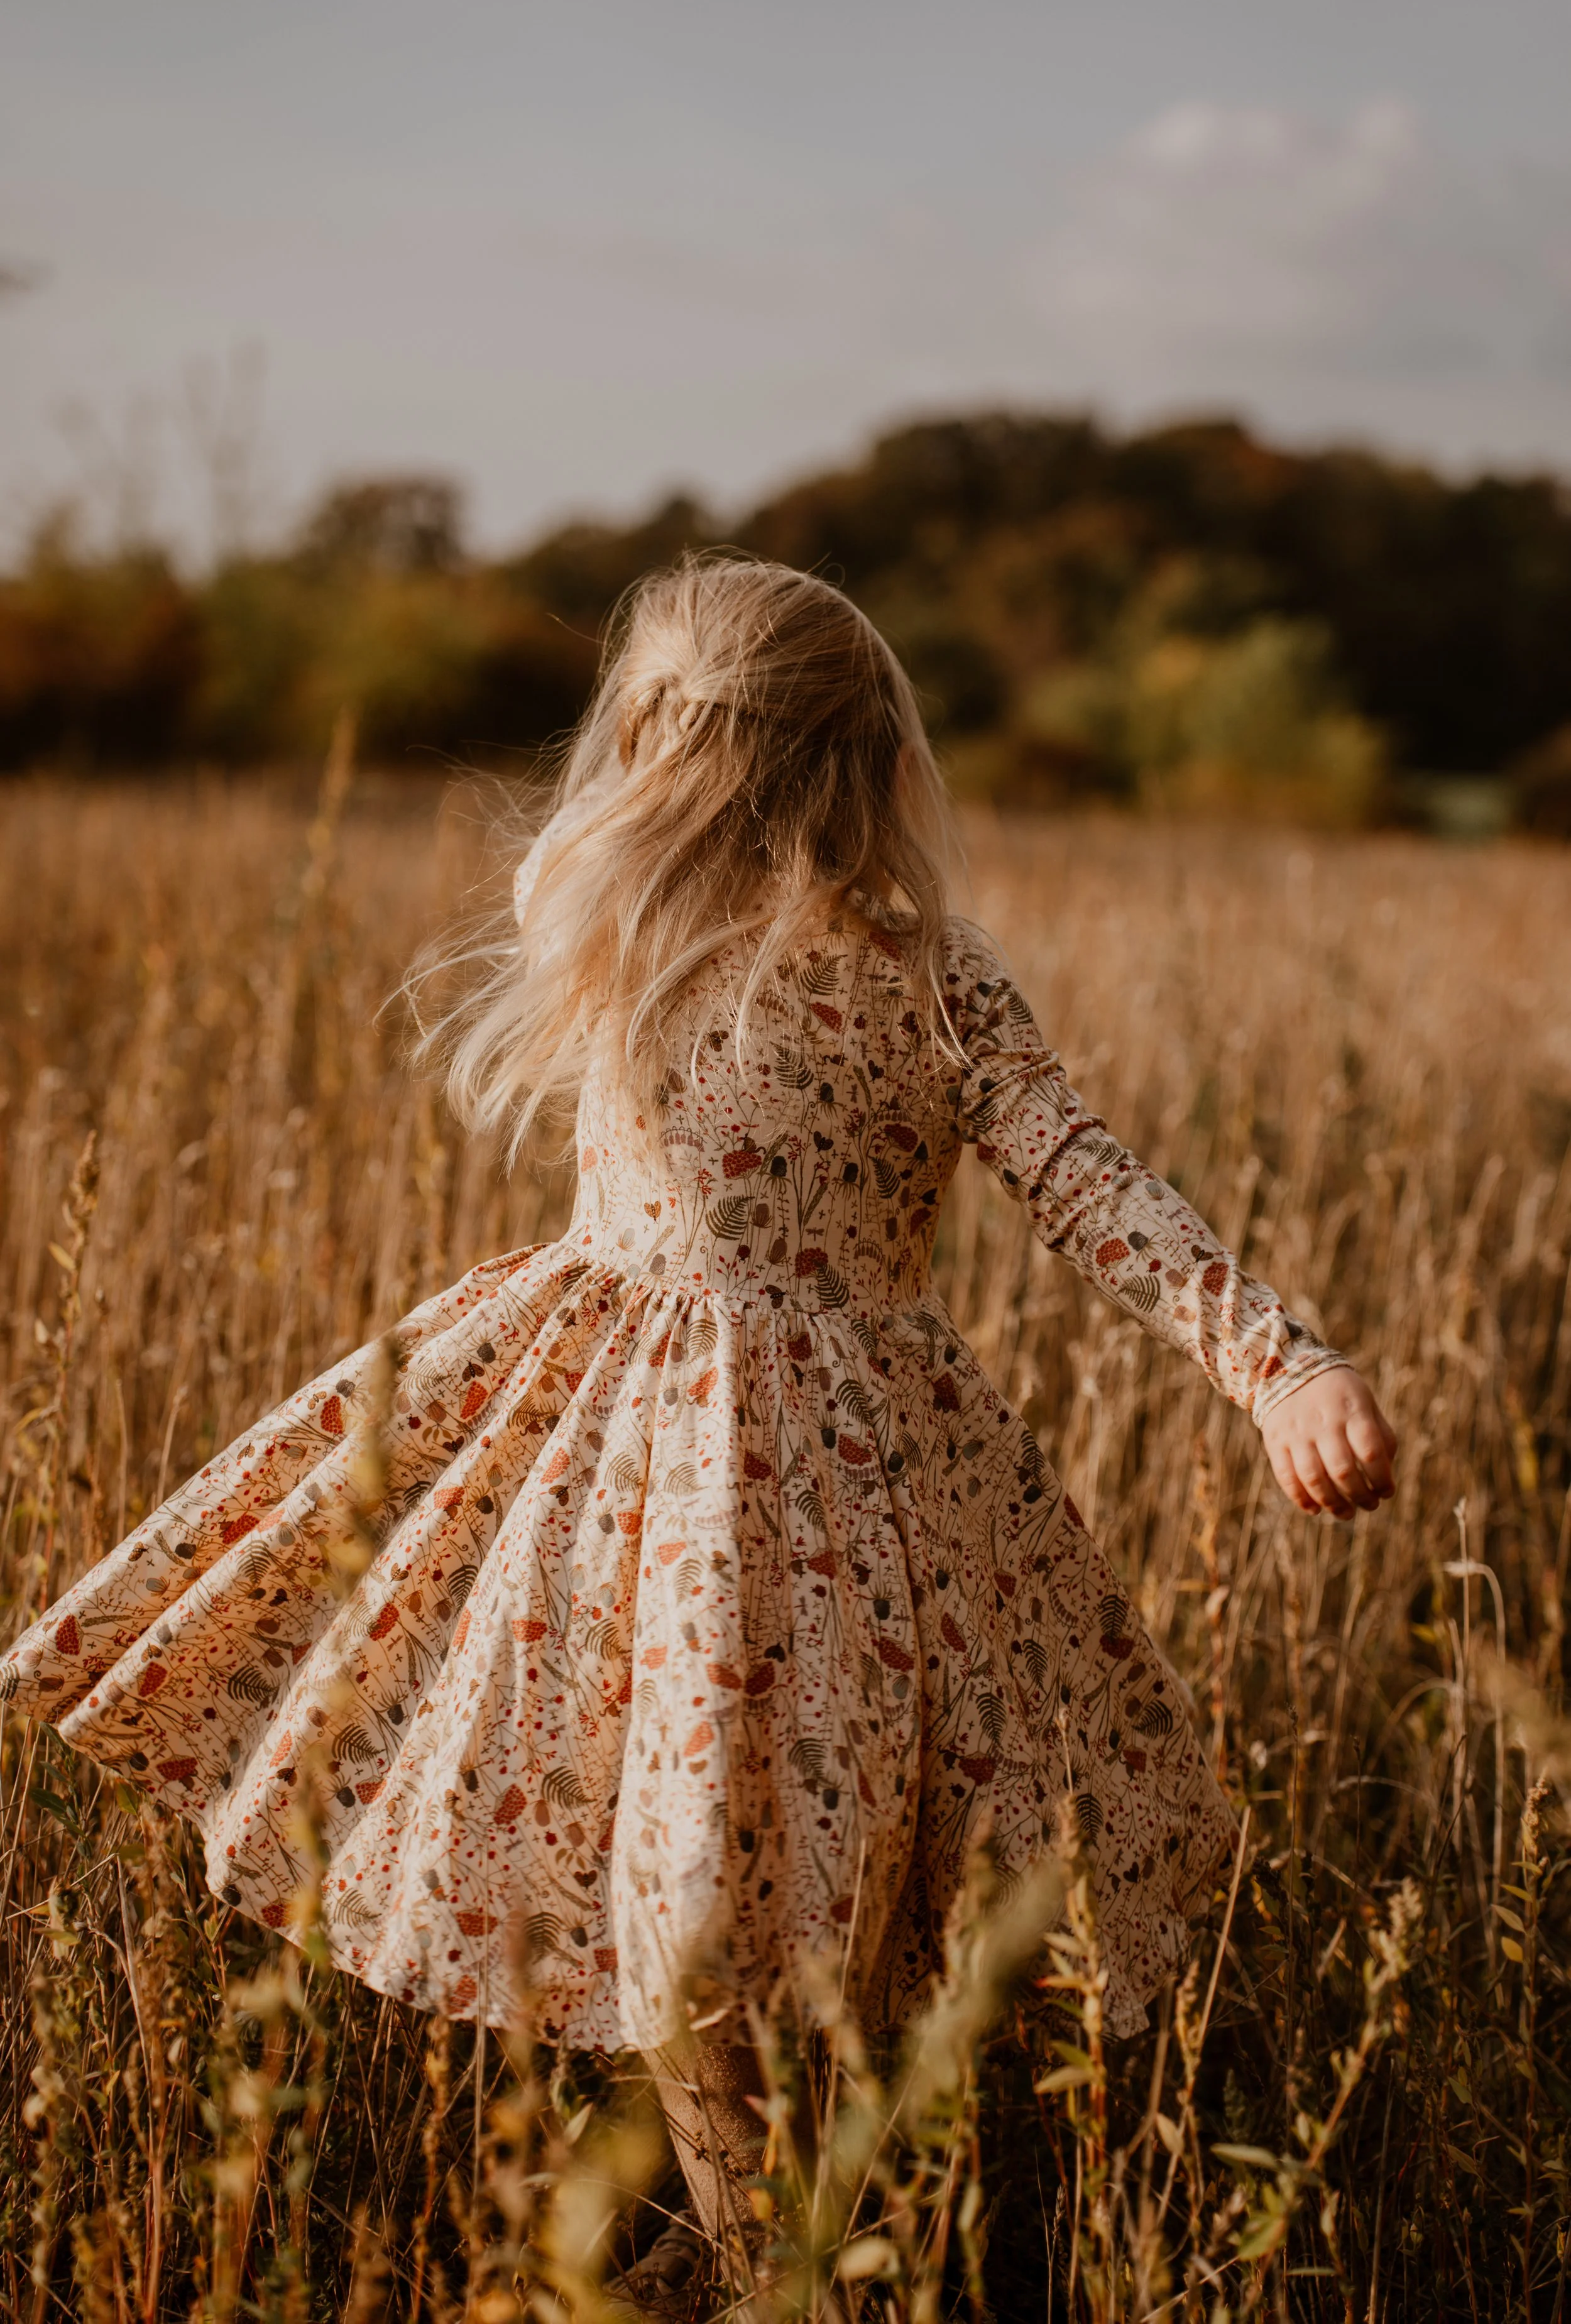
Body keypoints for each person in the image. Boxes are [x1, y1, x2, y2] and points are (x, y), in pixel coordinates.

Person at [0, 556, 1396, 2311]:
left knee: (813, 1878)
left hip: (845, 1502)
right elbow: (1104, 1190)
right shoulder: (614, 919)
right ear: (865, 760)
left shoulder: (921, 978)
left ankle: (785, 2239)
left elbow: (1087, 1184)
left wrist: (1276, 1365)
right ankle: (760, 2245)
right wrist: (1278, 1364)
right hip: (629, 1476)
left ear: (673, 745)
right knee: (675, 1871)